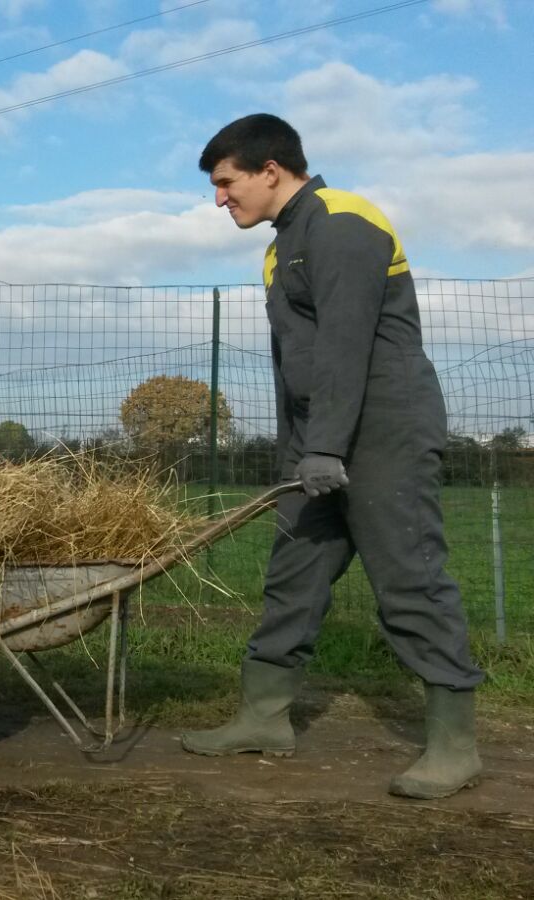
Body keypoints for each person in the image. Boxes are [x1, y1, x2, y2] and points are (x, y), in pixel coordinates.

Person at [181, 113, 484, 799]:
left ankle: (454, 746)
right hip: (319, 443)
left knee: (409, 578)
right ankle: (263, 718)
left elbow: (346, 344)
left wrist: (324, 447)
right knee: (294, 575)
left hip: (385, 434)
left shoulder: (344, 221)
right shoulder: (280, 245)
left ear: (270, 169)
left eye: (226, 183)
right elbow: (302, 366)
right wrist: (300, 456)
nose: (220, 199)